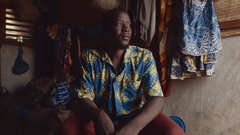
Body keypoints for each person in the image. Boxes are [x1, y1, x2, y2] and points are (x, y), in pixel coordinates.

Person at [55, 8, 185, 135]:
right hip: (99, 119)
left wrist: (134, 127)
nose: (126, 29)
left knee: (174, 132)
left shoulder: (143, 57)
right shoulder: (89, 57)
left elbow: (157, 99)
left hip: (135, 117)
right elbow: (84, 96)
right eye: (120, 24)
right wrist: (99, 115)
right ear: (105, 30)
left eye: (129, 25)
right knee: (66, 131)